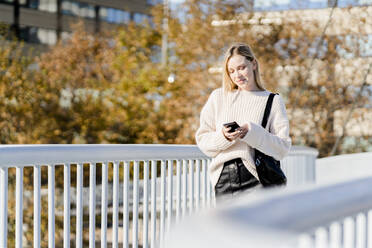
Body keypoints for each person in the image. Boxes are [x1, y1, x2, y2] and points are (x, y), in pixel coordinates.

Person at [195, 43, 292, 202]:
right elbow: (203, 140)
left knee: (256, 227)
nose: (237, 75)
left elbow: (282, 148)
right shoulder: (218, 97)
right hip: (223, 179)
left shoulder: (272, 100)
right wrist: (224, 137)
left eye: (241, 68)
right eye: (231, 71)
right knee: (227, 227)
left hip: (257, 177)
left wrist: (251, 132)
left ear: (253, 63)